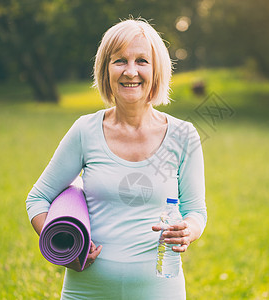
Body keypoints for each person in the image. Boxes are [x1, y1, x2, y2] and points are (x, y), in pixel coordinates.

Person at [25, 18, 207, 299]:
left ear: (156, 69)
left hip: (159, 289)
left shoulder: (184, 135)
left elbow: (196, 211)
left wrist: (188, 230)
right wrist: (64, 250)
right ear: (106, 69)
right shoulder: (85, 131)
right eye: (120, 60)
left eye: (142, 61)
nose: (130, 71)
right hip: (85, 290)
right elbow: (37, 199)